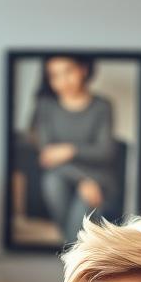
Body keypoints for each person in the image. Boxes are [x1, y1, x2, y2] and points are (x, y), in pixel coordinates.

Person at [29, 54, 121, 243]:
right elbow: (48, 158)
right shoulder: (46, 106)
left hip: (100, 180)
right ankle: (76, 257)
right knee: (52, 180)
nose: (62, 81)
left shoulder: (102, 106)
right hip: (65, 176)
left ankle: (72, 258)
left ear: (84, 70)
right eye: (54, 75)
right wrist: (83, 179)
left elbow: (105, 152)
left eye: (68, 71)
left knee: (84, 203)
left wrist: (70, 150)